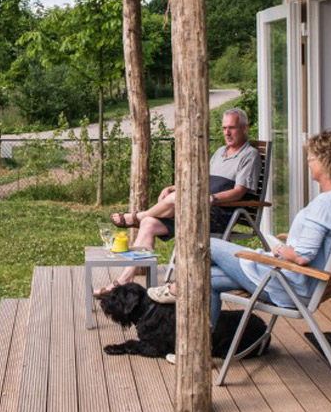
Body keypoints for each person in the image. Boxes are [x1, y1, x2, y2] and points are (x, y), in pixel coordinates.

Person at [146, 130, 331, 330]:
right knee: (205, 277)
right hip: (302, 284)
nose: (309, 163)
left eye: (311, 158)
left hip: (287, 284)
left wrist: (279, 250)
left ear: (325, 161)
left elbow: (302, 256)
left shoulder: (326, 203)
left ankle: (175, 287)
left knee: (201, 242)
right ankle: (202, 345)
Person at [95, 108, 261, 294]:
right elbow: (200, 180)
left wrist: (212, 198)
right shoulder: (221, 152)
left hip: (217, 214)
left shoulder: (250, 155)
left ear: (245, 128)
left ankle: (137, 217)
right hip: (196, 209)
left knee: (173, 201)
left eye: (232, 128)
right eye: (224, 128)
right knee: (150, 223)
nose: (227, 133)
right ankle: (125, 279)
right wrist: (176, 186)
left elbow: (239, 192)